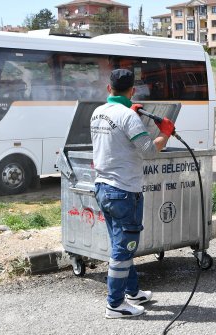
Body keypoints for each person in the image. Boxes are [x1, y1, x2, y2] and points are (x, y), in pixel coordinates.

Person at [91, 68, 176, 318]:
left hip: (103, 188)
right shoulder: (128, 117)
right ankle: (115, 305)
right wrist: (165, 133)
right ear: (132, 91)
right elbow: (148, 151)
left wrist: (130, 111)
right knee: (125, 246)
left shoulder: (98, 112)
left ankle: (133, 292)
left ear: (109, 89)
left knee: (120, 243)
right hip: (124, 190)